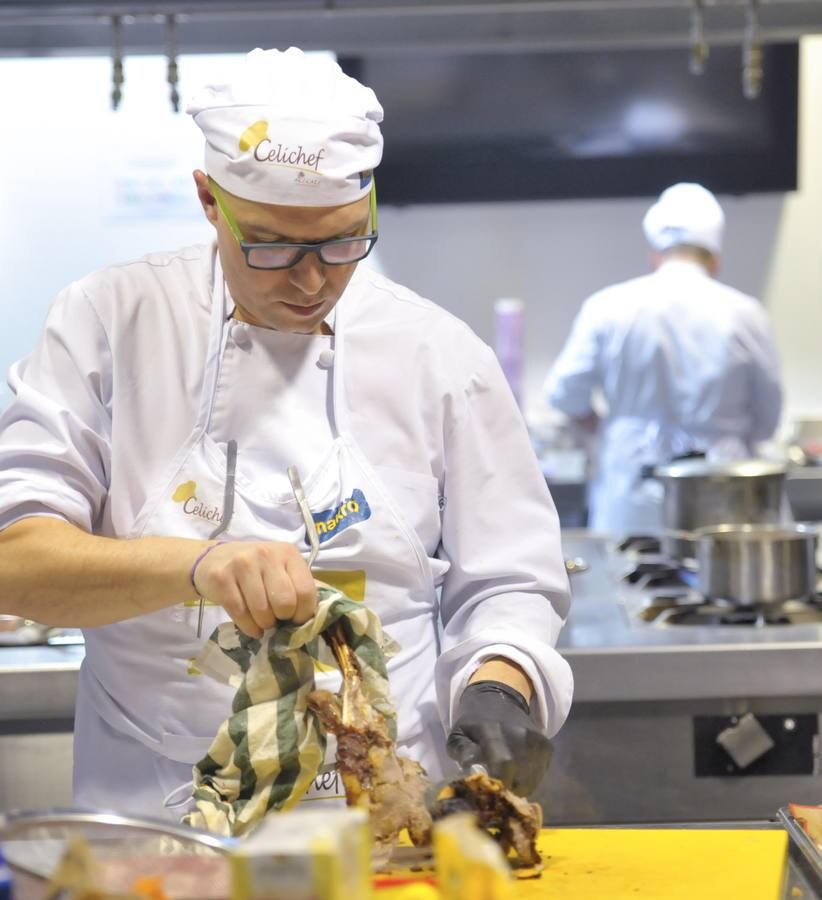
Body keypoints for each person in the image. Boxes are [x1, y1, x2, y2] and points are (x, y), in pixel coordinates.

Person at [0, 48, 572, 820]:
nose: (310, 281)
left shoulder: (437, 354)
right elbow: (18, 564)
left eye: (341, 243)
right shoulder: (108, 324)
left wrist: (502, 682)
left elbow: (509, 580)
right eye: (269, 247)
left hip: (385, 807)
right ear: (209, 199)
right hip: (157, 809)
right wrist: (199, 564)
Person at [544, 182, 782, 536]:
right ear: (715, 259)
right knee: (720, 579)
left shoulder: (608, 307)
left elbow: (564, 394)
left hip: (631, 490)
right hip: (723, 492)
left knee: (630, 579)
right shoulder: (744, 314)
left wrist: (604, 424)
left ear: (655, 255)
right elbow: (767, 419)